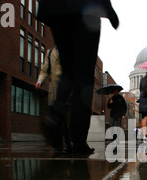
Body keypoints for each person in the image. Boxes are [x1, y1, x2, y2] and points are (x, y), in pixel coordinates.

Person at [37, 0, 119, 154]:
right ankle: (78, 140)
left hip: (56, 9)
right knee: (84, 78)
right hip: (85, 7)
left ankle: (55, 119)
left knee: (67, 71)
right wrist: (109, 9)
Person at [36, 46, 72, 152]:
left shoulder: (71, 49)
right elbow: (45, 70)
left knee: (65, 117)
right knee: (56, 115)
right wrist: (40, 81)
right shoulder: (50, 52)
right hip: (54, 89)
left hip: (66, 87)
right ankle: (58, 144)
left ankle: (68, 142)